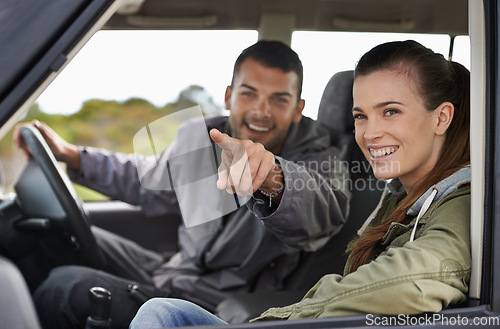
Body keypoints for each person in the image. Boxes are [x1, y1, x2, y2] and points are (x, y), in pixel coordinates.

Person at [128, 39, 471, 328]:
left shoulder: (462, 203)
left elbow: (405, 282)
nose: (370, 132)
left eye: (391, 111)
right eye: (360, 116)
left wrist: (275, 320)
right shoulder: (396, 192)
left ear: (441, 117)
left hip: (288, 317)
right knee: (161, 312)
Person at [13, 40, 350, 328]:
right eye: (249, 94)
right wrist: (71, 154)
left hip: (218, 299)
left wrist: (272, 175)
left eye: (279, 99)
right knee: (42, 233)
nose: (261, 111)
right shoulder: (204, 136)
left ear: (297, 109)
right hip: (172, 270)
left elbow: (321, 207)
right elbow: (148, 180)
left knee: (65, 286)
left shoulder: (321, 154)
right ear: (230, 96)